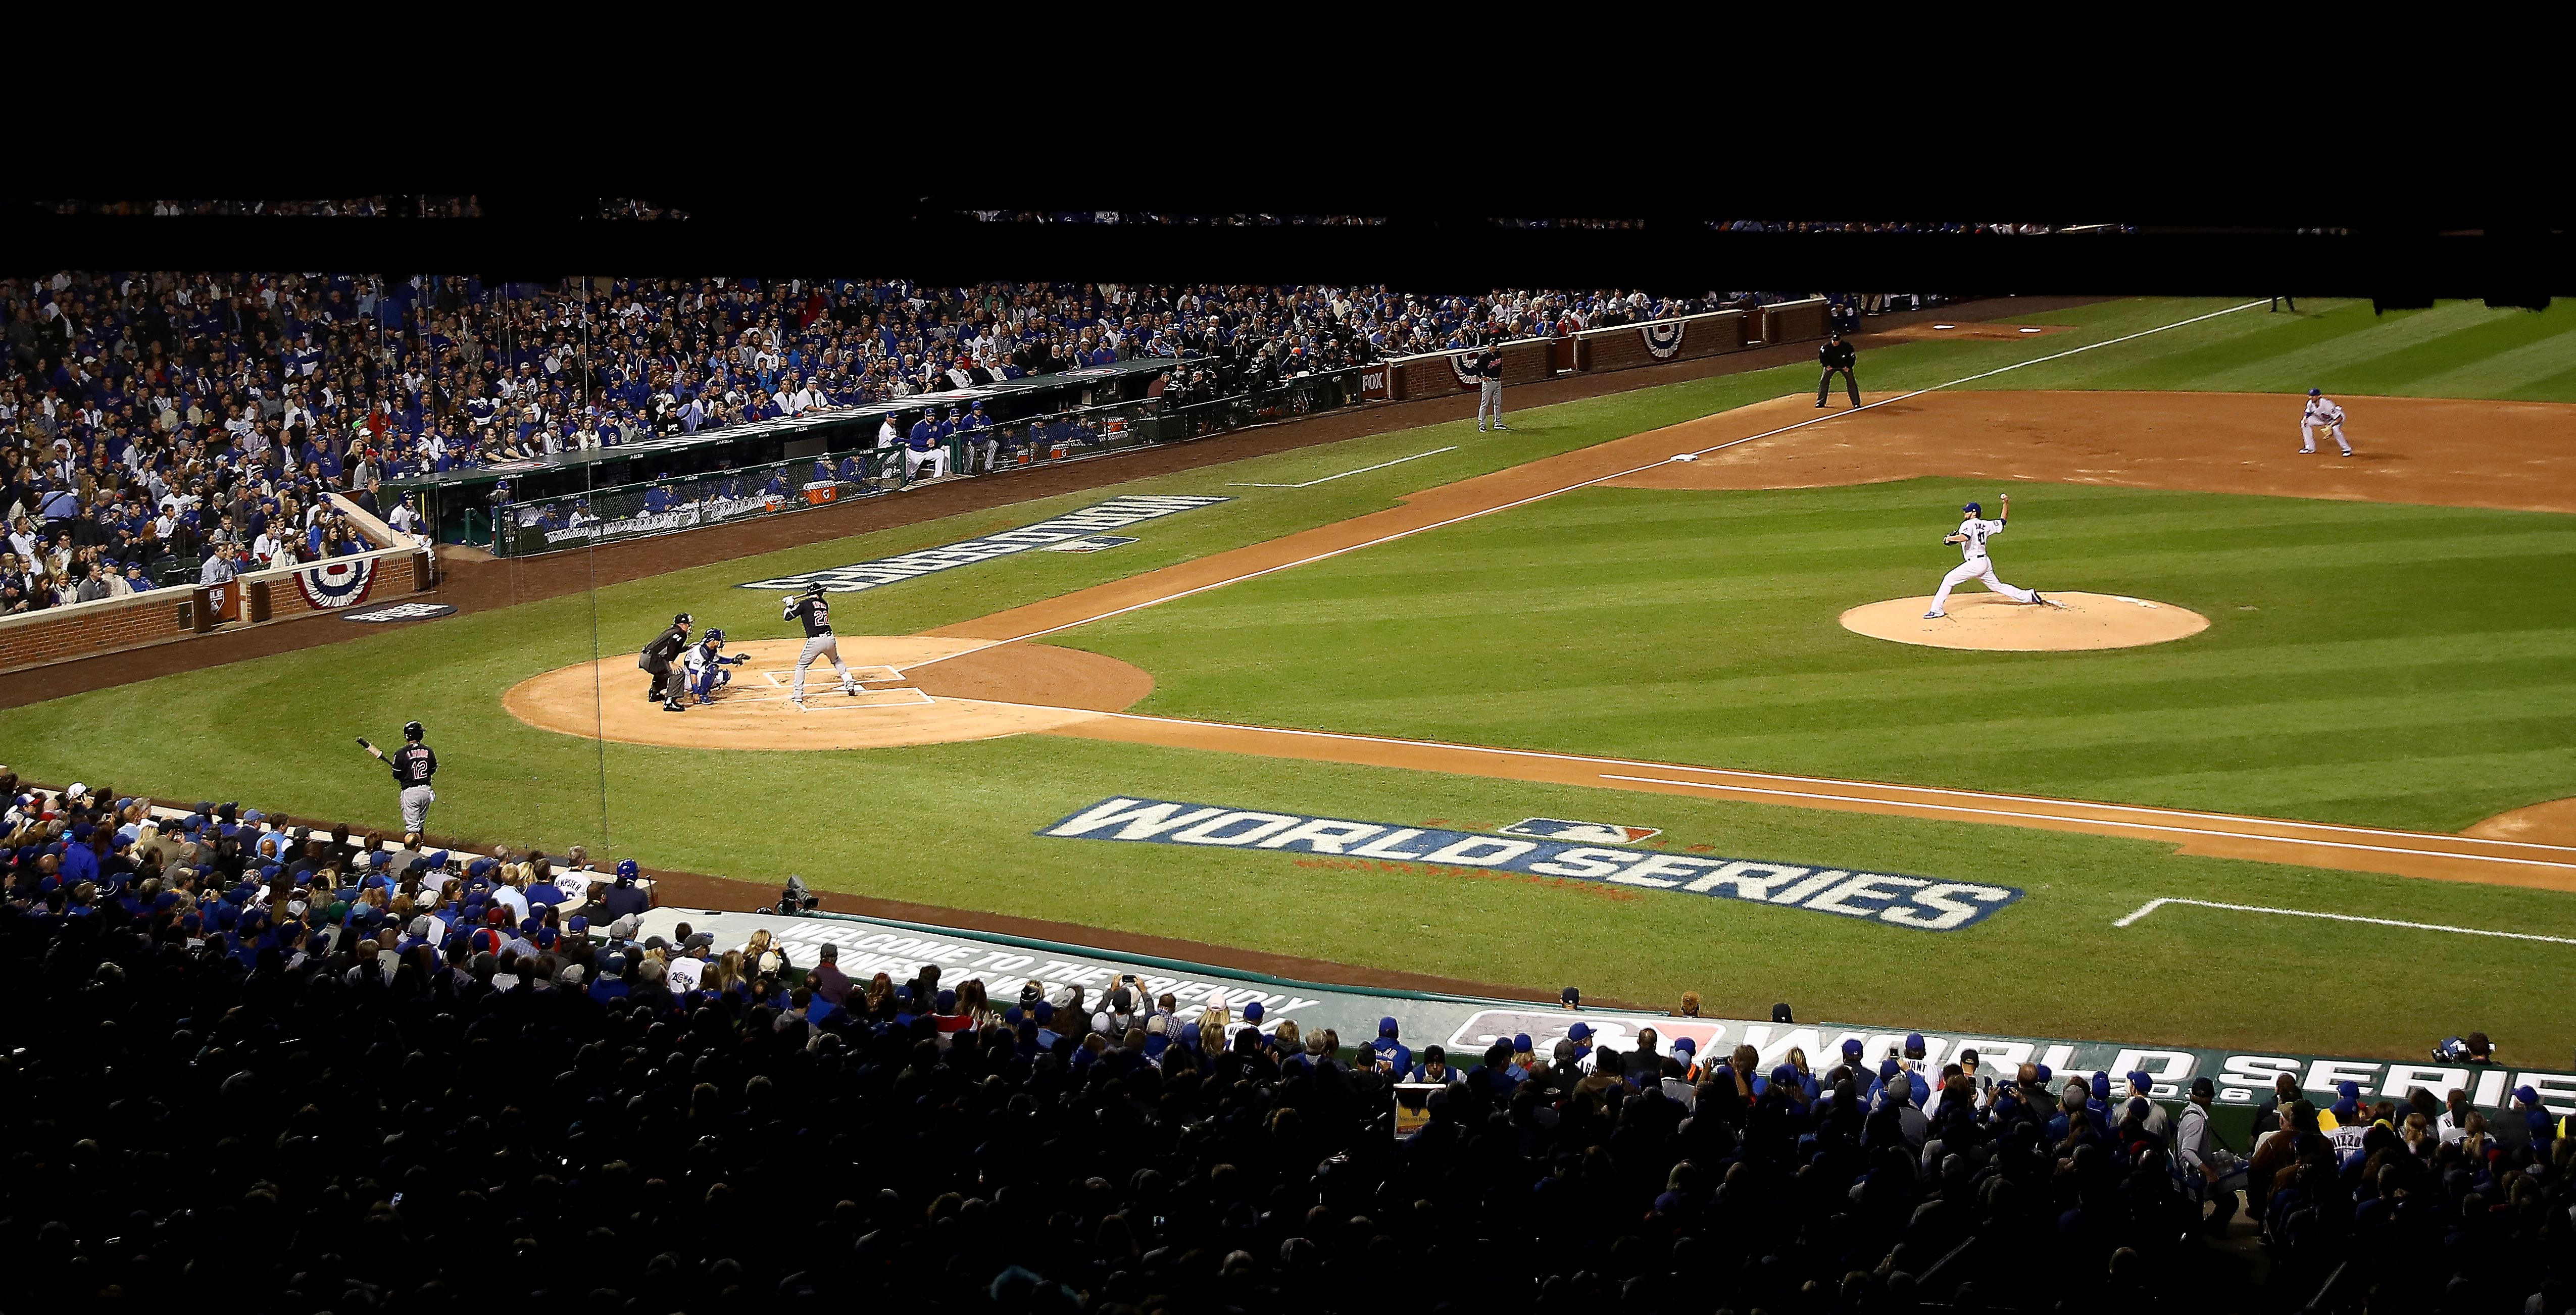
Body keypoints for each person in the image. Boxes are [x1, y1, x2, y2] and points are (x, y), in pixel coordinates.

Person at [1923, 495, 2048, 619]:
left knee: (1949, 579)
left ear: (1974, 513)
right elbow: (2002, 521)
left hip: (1975, 564)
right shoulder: (1986, 524)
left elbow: (1965, 537)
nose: (1964, 513)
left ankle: (1936, 610)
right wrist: (2006, 504)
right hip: (1985, 562)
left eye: (1966, 511)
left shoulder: (1967, 524)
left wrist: (1949, 539)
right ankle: (2028, 596)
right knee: (1997, 586)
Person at [780, 582, 859, 704]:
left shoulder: (804, 604)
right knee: (837, 660)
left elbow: (788, 617)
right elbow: (816, 604)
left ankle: (798, 695)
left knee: (801, 666)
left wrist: (789, 605)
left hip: (815, 641)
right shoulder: (824, 604)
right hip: (830, 639)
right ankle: (849, 684)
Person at [362, 720, 437, 847]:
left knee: (412, 829)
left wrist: (405, 775)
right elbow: (433, 769)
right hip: (426, 792)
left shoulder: (401, 754)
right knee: (420, 824)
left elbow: (397, 775)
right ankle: (419, 848)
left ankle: (411, 854)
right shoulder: (428, 751)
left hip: (411, 794)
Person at [639, 612, 693, 711]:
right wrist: (671, 662)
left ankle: (654, 694)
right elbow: (673, 643)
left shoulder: (672, 630)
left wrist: (686, 648)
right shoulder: (680, 633)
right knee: (678, 673)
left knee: (663, 671)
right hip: (652, 660)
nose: (689, 627)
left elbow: (668, 648)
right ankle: (670, 702)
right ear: (683, 624)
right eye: (688, 624)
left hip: (645, 658)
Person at [684, 628, 749, 704]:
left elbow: (718, 659)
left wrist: (733, 660)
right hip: (689, 680)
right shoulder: (698, 652)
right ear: (713, 641)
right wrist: (696, 693)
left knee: (725, 675)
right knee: (712, 668)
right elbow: (693, 674)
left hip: (698, 676)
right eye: (720, 640)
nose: (722, 642)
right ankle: (702, 695)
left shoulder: (709, 649)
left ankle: (701, 689)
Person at [2298, 387, 2353, 456]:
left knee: (2335, 429)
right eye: (2311, 396)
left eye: (2313, 396)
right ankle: (2310, 448)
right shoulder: (2310, 403)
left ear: (2319, 396)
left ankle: (2347, 449)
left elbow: (2339, 418)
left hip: (2335, 419)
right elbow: (2308, 413)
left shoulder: (2327, 404)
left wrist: (2330, 426)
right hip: (2322, 419)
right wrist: (2305, 418)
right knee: (2305, 423)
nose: (2311, 398)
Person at [1816, 331, 1859, 408]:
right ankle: (1821, 402)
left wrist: (1849, 367)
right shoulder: (1826, 347)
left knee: (1851, 381)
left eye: (1837, 341)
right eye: (1834, 341)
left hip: (1844, 366)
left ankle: (1856, 402)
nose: (1835, 342)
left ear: (1840, 340)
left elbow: (1852, 357)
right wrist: (1826, 366)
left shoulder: (1847, 347)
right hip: (1831, 366)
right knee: (1824, 380)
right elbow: (1822, 357)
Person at [1470, 342, 1506, 431]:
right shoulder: (1484, 357)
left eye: (1494, 346)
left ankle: (1498, 423)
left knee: (1498, 404)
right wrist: (1481, 377)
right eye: (1492, 346)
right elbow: (1474, 366)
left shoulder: (1498, 354)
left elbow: (1500, 365)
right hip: (1489, 382)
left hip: (1498, 381)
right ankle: (1482, 425)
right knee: (1485, 404)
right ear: (1489, 346)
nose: (1493, 348)